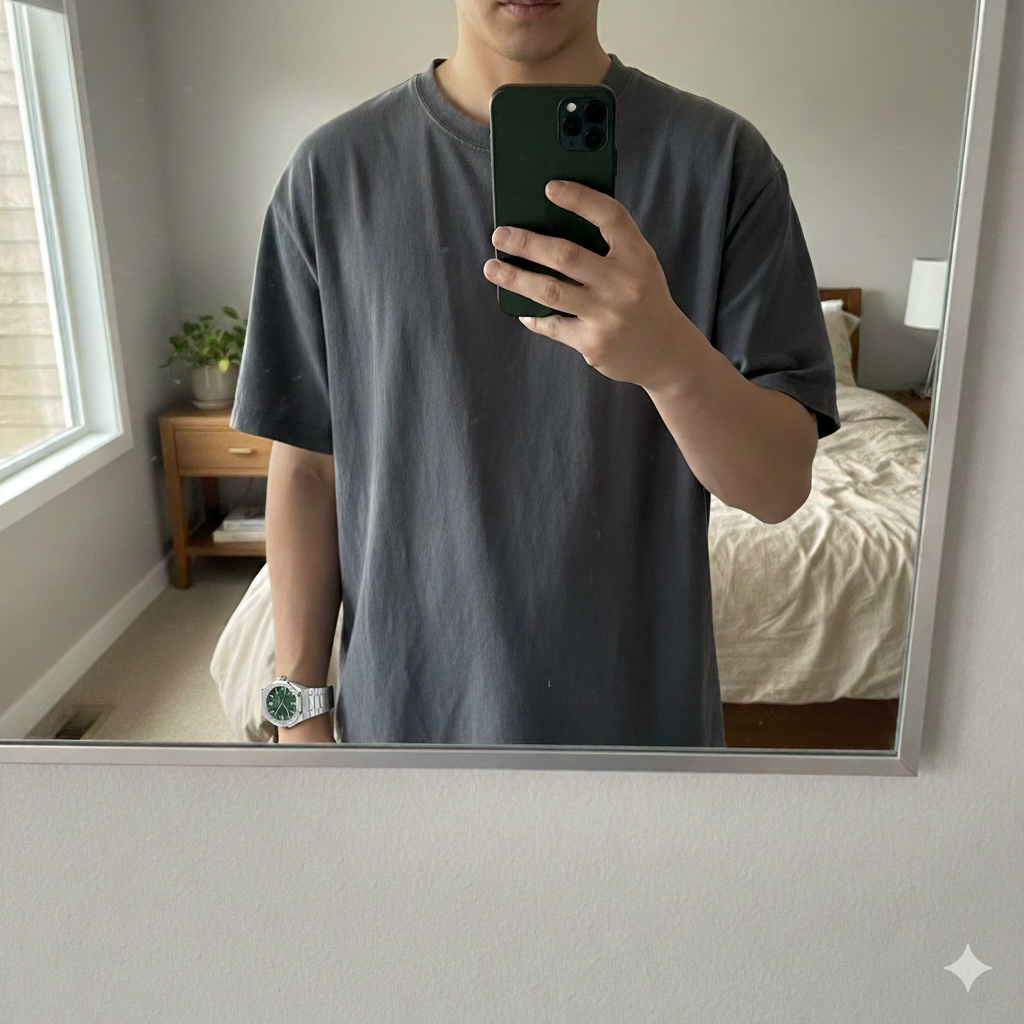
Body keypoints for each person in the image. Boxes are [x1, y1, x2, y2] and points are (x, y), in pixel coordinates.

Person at [231, 0, 839, 747]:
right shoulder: (329, 176)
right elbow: (306, 468)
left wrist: (670, 360)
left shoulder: (725, 164)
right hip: (401, 730)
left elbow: (778, 488)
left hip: (642, 737)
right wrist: (298, 714)